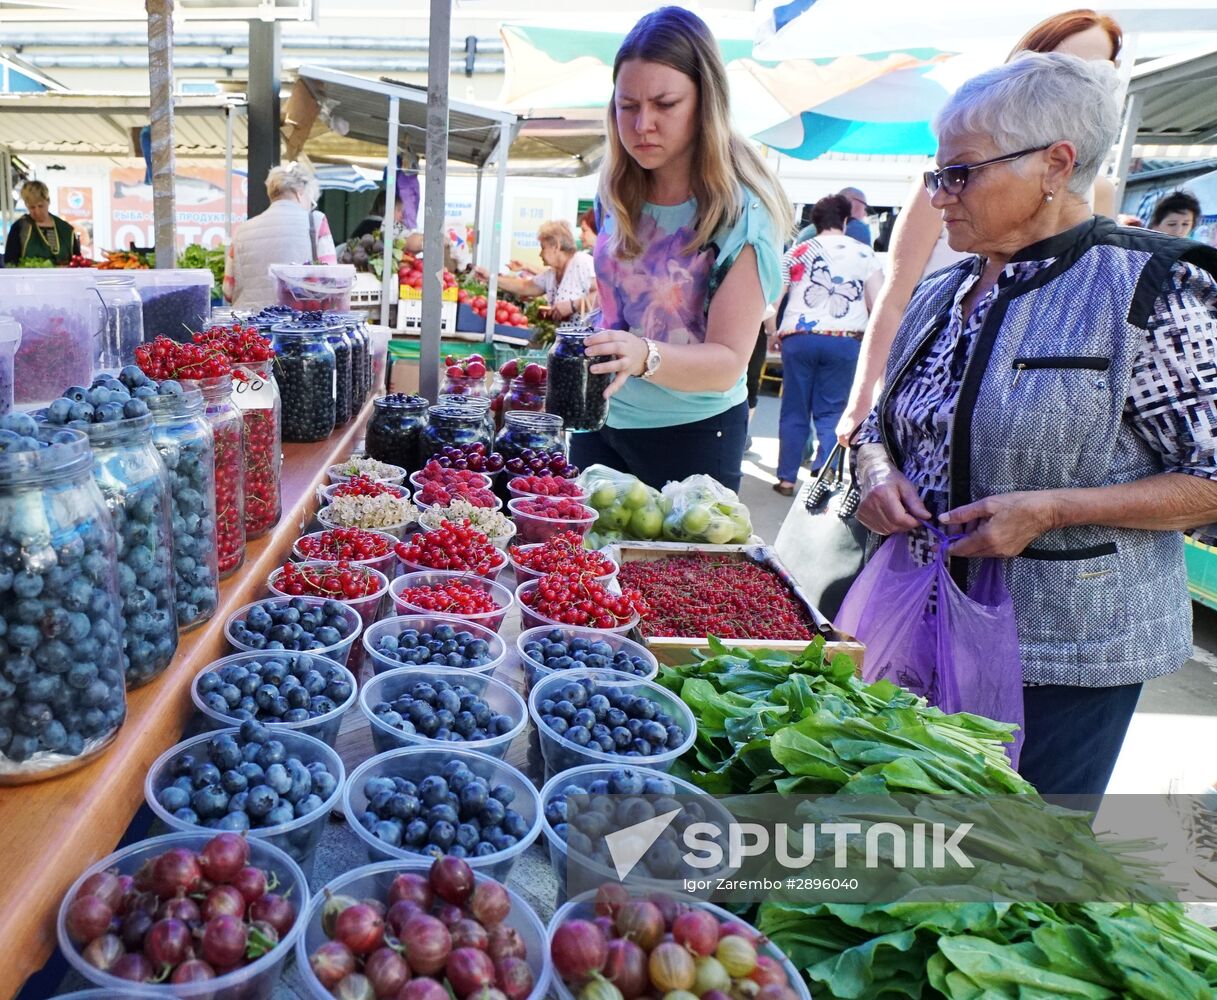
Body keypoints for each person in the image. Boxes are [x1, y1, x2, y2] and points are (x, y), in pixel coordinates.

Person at [852, 52, 1217, 799]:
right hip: (917, 621)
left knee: (1013, 865)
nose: (937, 194)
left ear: (1055, 164)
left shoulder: (1150, 288)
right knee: (905, 848)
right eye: (936, 173)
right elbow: (879, 427)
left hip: (1062, 656)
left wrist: (1052, 509)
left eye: (959, 173)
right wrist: (876, 474)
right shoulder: (943, 287)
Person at [835, 8, 1123, 446]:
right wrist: (861, 406)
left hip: (1014, 417)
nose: (1073, 85)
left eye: (1095, 71)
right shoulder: (949, 177)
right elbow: (897, 296)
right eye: (1053, 64)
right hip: (920, 397)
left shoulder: (1099, 200)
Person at [572, 6, 791, 493]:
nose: (642, 123)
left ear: (705, 103)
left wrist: (642, 354)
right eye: (627, 105)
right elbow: (618, 308)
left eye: (665, 104)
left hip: (692, 436)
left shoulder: (743, 213)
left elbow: (730, 361)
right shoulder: (612, 189)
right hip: (597, 420)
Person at [769, 194, 883, 496]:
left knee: (794, 409)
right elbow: (879, 302)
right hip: (844, 340)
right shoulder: (864, 254)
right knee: (831, 409)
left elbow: (773, 300)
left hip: (799, 337)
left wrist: (772, 332)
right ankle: (825, 473)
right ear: (845, 221)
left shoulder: (797, 252)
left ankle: (787, 479)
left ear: (815, 222)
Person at [223, 161, 337, 309]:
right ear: (300, 193)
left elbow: (228, 290)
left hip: (249, 327)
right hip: (298, 326)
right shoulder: (316, 221)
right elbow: (332, 280)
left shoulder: (242, 230)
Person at [476, 221, 597, 322]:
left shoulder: (582, 262)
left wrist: (572, 305)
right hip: (567, 343)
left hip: (588, 343)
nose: (540, 254)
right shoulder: (552, 274)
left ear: (556, 246)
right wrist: (490, 278)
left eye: (543, 247)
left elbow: (603, 295)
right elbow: (524, 286)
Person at [4, 180, 80, 266]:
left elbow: (78, 260)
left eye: (40, 206)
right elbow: (10, 262)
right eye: (32, 207)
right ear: (26, 205)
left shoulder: (66, 229)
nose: (37, 211)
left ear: (48, 201)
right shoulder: (19, 227)